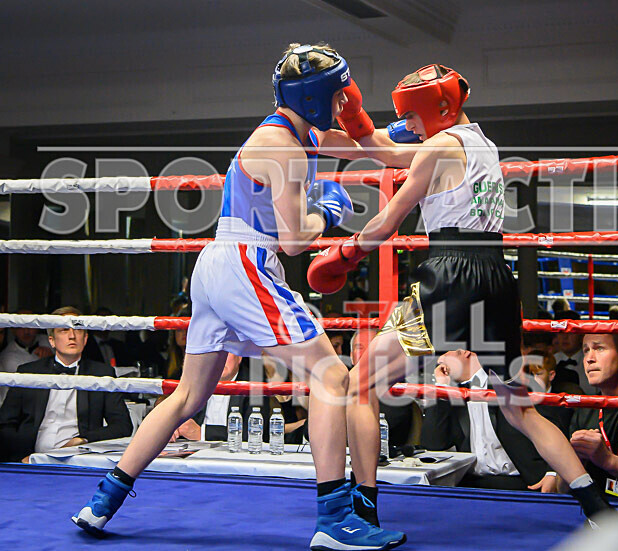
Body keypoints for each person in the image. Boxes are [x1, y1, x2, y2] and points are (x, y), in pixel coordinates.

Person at [72, 43, 406, 551]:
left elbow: (360, 145)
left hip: (217, 264)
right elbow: (296, 241)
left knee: (189, 396)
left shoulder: (294, 129)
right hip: (247, 264)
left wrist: (406, 134)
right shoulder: (287, 148)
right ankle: (335, 519)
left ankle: (101, 502)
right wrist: (330, 213)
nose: (344, 101)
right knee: (333, 376)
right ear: (316, 97)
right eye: (338, 93)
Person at [306, 64, 524, 526]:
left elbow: (388, 217)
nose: (407, 124)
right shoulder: (476, 142)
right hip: (493, 274)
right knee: (516, 404)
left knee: (359, 384)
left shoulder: (438, 146)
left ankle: (363, 510)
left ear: (438, 110)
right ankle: (589, 499)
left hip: (449, 274)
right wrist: (352, 122)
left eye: (412, 116)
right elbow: (382, 145)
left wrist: (345, 253)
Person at [423, 349, 612, 520]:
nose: (440, 363)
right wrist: (441, 387)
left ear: (464, 353)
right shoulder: (452, 394)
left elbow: (555, 426)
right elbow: (433, 444)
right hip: (469, 485)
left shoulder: (515, 384)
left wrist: (552, 472)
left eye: (444, 357)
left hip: (522, 484)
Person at [496, 333, 618, 501]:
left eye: (599, 349)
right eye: (586, 350)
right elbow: (563, 489)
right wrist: (576, 460)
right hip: (595, 509)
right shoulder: (585, 409)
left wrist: (608, 461)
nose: (589, 359)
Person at [0, 306, 132, 463]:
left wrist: (83, 439)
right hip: (30, 460)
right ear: (52, 340)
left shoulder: (101, 373)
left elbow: (123, 425)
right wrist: (20, 455)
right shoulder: (28, 372)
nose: (72, 336)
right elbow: (5, 423)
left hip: (78, 460)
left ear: (85, 339)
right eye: (64, 330)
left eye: (78, 330)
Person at [0, 308, 53, 406]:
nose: (26, 331)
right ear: (13, 329)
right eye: (21, 327)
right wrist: (48, 361)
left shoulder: (50, 341)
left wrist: (53, 356)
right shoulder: (8, 358)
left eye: (30, 325)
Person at [553, 311, 593, 393]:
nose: (565, 337)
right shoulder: (550, 361)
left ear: (581, 334)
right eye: (561, 332)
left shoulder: (592, 362)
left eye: (570, 332)